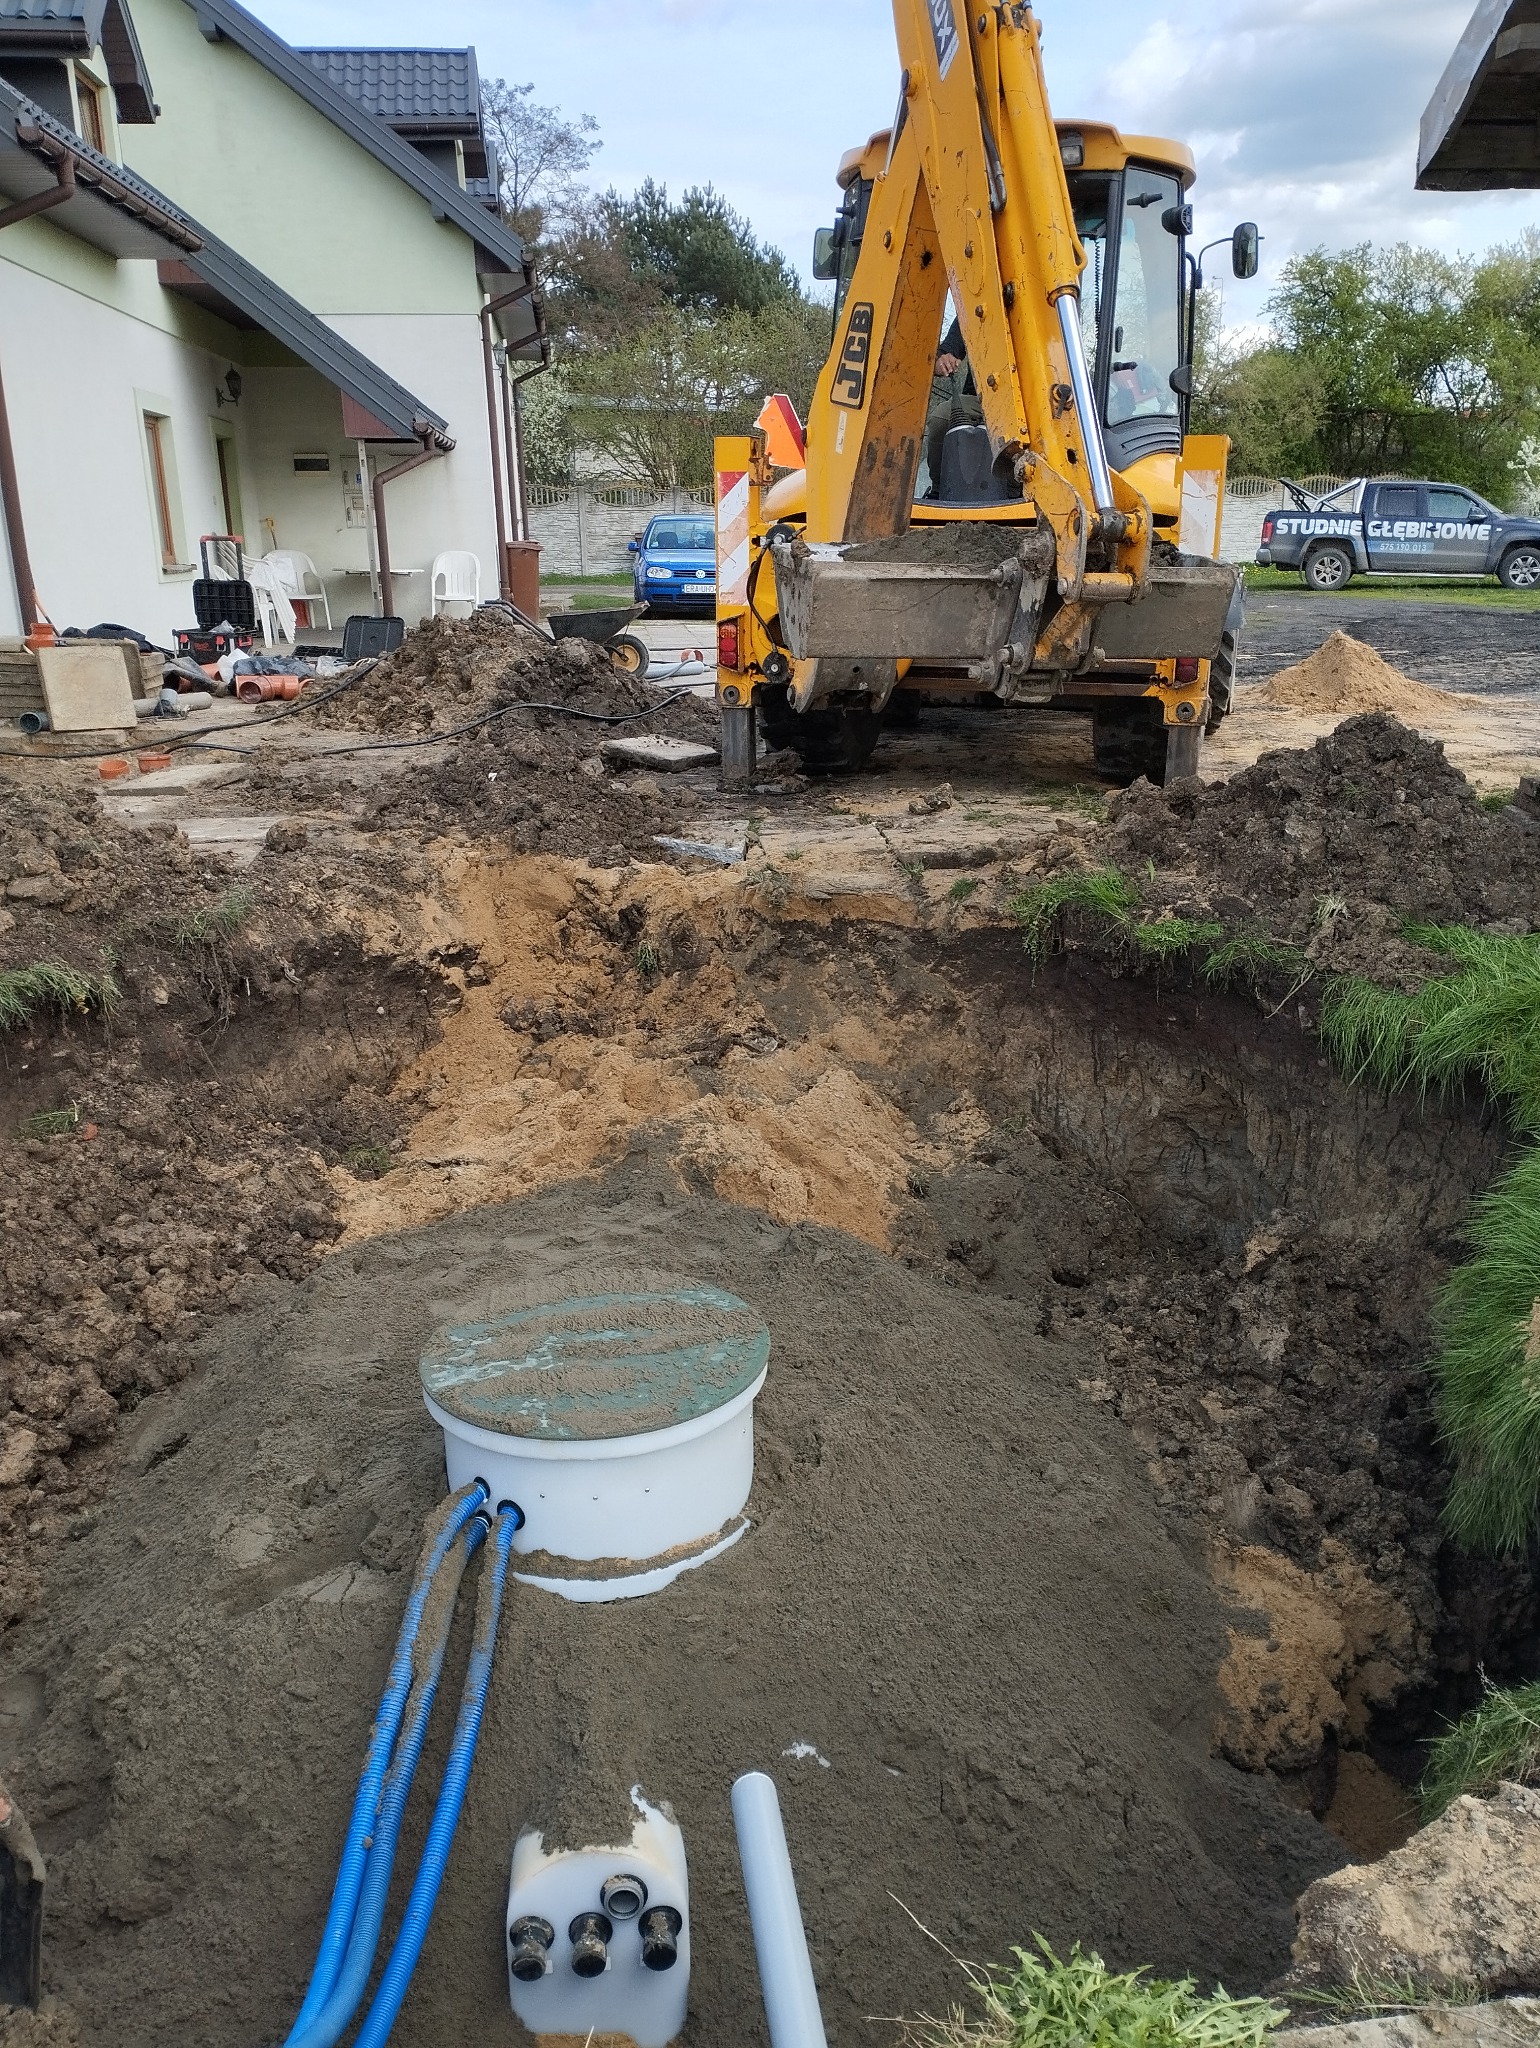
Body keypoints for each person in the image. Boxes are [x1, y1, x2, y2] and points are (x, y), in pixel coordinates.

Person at [924, 314, 983, 498]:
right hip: (980, 399)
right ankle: (940, 490)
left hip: (1027, 402)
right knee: (941, 417)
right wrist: (942, 360)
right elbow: (946, 352)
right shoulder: (977, 310)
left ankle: (1016, 494)